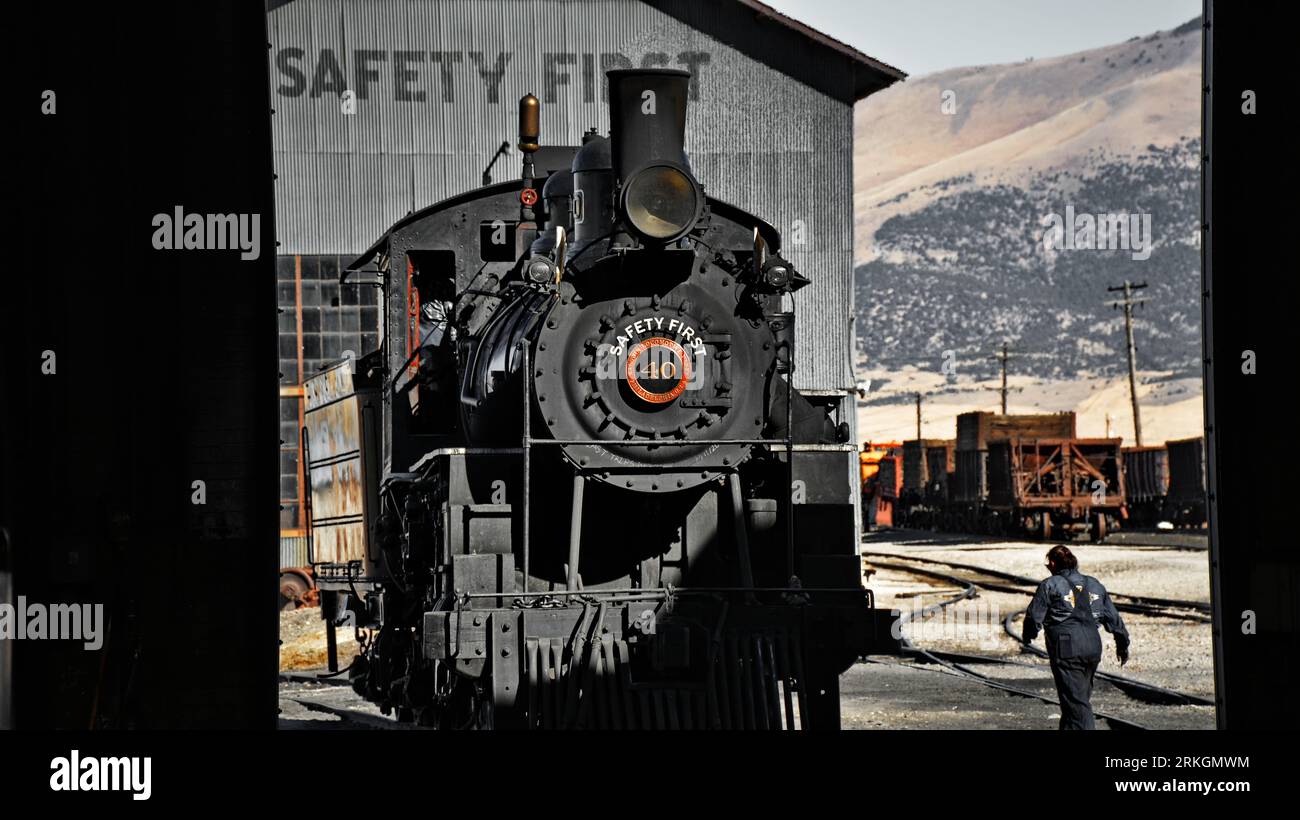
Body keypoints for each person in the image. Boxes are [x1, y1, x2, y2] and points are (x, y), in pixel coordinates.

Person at [1022, 544, 1130, 730]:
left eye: (1048, 565)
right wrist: (1123, 644)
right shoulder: (1095, 584)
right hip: (1093, 646)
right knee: (1074, 701)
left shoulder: (1050, 584)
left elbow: (1033, 616)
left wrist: (1028, 636)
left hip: (1067, 647)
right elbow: (1113, 619)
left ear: (1054, 564)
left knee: (1077, 704)